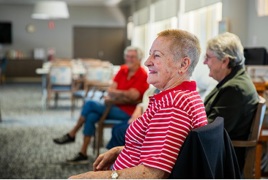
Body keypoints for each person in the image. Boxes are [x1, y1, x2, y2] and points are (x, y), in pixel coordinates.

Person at [69, 29, 208, 179]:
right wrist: (119, 150)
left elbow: (152, 174)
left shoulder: (174, 105)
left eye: (156, 56)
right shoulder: (179, 97)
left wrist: (99, 177)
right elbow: (160, 149)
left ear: (183, 64)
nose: (147, 62)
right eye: (150, 54)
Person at [53, 46, 149, 164]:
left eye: (132, 57)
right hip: (113, 106)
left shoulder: (143, 74)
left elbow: (133, 96)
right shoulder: (122, 69)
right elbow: (111, 90)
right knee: (91, 116)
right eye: (127, 56)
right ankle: (83, 153)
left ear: (139, 59)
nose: (129, 59)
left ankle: (72, 133)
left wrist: (117, 94)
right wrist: (123, 94)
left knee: (90, 104)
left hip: (129, 111)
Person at [203, 32, 259, 174]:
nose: (204, 62)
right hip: (221, 154)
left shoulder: (234, 89)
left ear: (225, 61)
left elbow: (212, 131)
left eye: (208, 57)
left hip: (224, 161)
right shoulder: (235, 81)